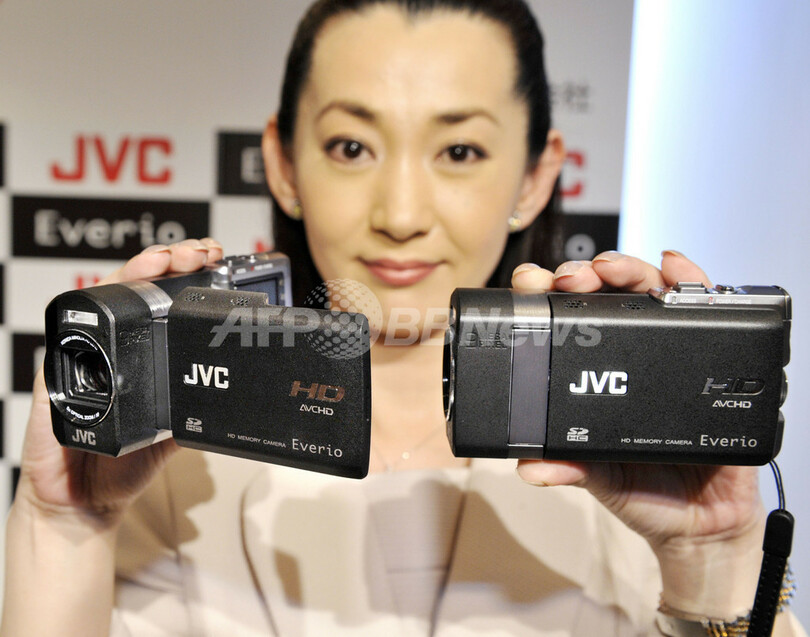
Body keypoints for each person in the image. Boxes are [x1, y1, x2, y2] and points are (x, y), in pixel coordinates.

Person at [1, 0, 805, 635]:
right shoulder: (167, 457)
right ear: (284, 164)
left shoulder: (632, 457)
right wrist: (65, 519)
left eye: (459, 151)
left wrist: (713, 558)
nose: (401, 213)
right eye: (352, 147)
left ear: (535, 176)